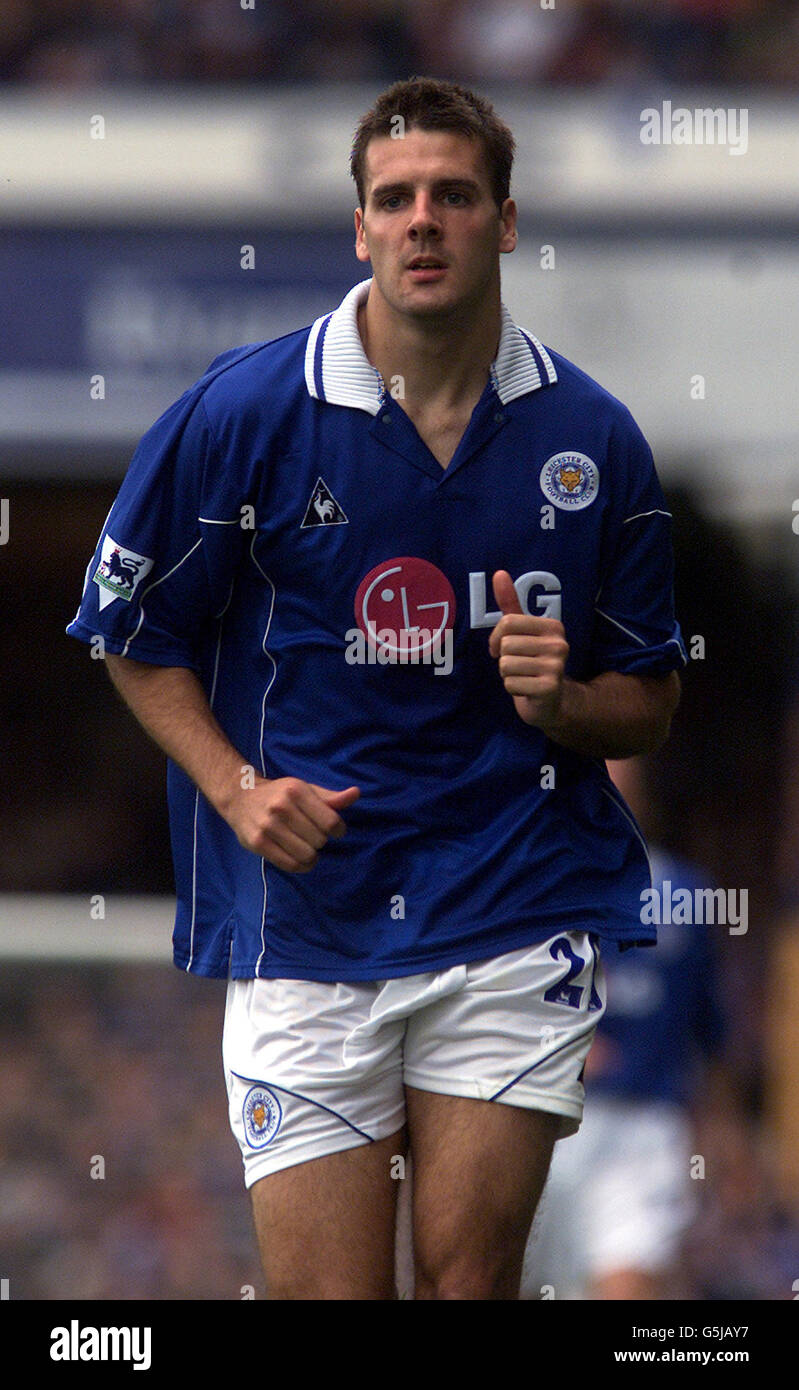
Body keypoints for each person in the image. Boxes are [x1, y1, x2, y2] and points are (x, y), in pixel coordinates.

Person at [67, 76, 685, 1301]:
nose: (422, 222)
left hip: (513, 906)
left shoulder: (593, 437)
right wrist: (236, 789)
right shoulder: (243, 413)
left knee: (469, 1282)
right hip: (306, 922)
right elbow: (126, 629)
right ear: (358, 228)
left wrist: (564, 704)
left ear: (503, 221)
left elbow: (652, 696)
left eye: (452, 196)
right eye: (393, 199)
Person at [521, 757, 725, 1301]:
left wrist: (720, 1130)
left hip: (640, 1127)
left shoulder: (685, 893)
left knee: (627, 1286)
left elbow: (709, 1030)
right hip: (538, 1115)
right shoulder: (527, 885)